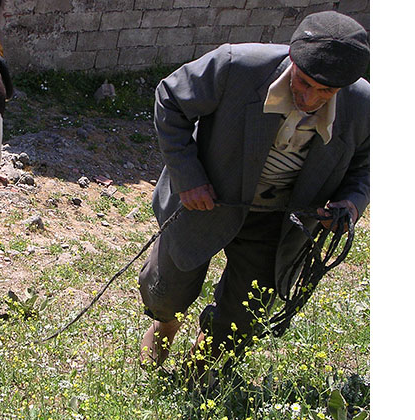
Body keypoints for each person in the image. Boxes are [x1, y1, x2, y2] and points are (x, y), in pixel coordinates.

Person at [138, 11, 370, 378]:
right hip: (206, 200)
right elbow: (171, 99)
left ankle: (200, 367)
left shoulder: (364, 106)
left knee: (243, 316)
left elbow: (366, 167)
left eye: (324, 92)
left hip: (279, 223)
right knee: (167, 292)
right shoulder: (236, 65)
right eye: (304, 81)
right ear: (292, 58)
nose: (309, 98)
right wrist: (188, 176)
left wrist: (350, 205)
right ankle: (166, 327)